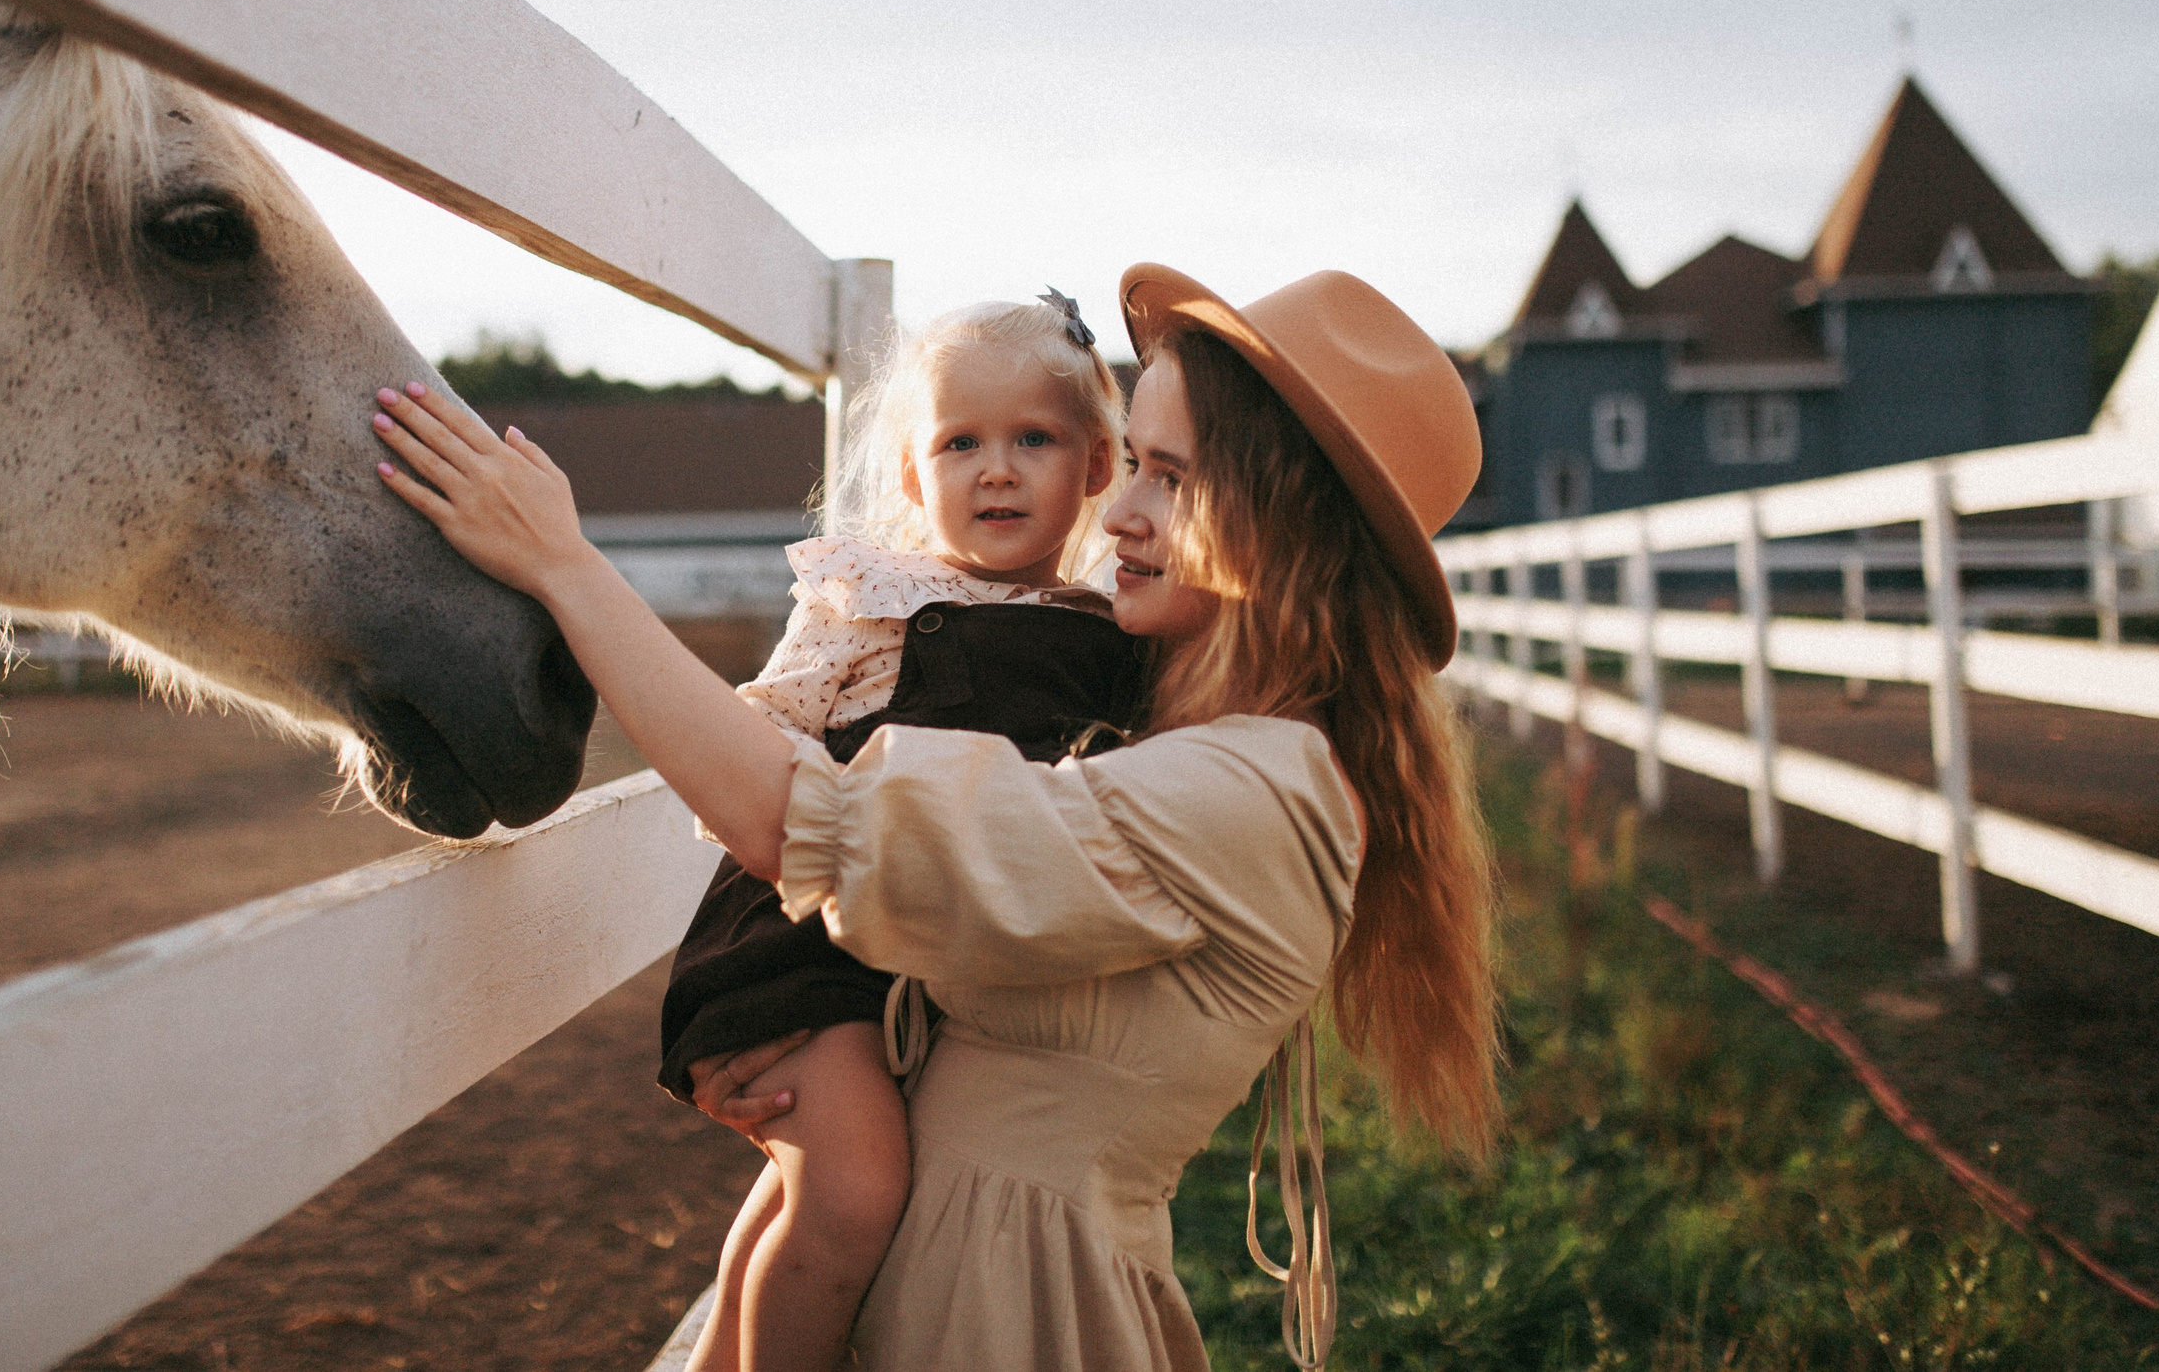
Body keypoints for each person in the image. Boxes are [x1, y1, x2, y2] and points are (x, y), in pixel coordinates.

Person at [369, 264, 1497, 1371]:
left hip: (1007, 1312)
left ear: (1285, 526)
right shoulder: (1172, 738)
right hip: (956, 1274)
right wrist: (797, 1036)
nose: (1123, 512)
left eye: (1166, 476)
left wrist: (568, 569)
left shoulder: (1250, 793)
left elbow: (819, 825)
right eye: (1134, 467)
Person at [656, 294, 1149, 1371]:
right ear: (917, 478)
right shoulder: (871, 598)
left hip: (915, 954)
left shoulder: (1109, 637)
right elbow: (756, 744)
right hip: (798, 932)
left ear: (1099, 464)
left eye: (1035, 438)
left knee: (802, 1188)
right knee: (852, 1187)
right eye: (960, 442)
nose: (998, 469)